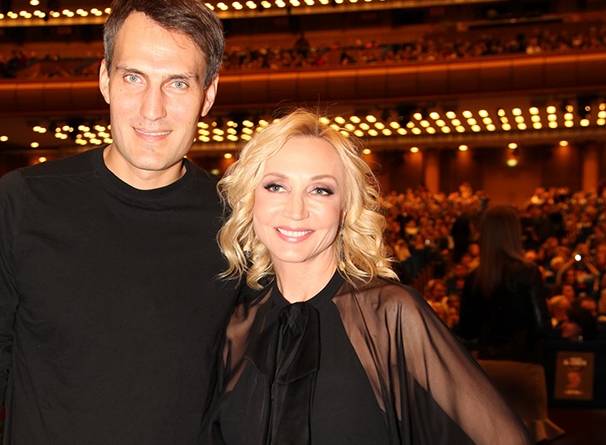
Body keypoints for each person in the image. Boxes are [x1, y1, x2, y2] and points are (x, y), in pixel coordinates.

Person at [0, 0, 237, 444]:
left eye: (178, 83)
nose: (153, 109)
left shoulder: (238, 221)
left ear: (209, 94)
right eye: (133, 77)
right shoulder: (21, 201)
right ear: (104, 79)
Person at [201, 109, 531, 444]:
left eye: (320, 190)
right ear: (251, 200)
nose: (296, 210)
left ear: (345, 209)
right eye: (276, 186)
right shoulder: (237, 325)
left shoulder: (388, 314)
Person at [459, 205, 563, 442]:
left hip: (486, 367)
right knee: (531, 433)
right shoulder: (528, 271)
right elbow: (541, 326)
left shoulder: (475, 277)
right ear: (515, 233)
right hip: (524, 366)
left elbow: (467, 330)